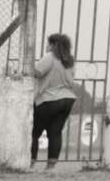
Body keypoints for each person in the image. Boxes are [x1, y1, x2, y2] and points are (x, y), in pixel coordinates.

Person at [31, 32, 80, 169]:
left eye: (48, 44)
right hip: (67, 99)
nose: (46, 46)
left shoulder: (50, 57)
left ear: (53, 45)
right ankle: (51, 166)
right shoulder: (69, 60)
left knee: (34, 132)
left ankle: (31, 161)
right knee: (55, 133)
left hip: (49, 98)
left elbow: (37, 72)